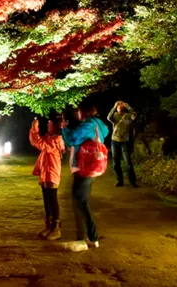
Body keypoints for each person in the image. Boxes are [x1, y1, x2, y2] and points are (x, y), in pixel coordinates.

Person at [61, 102, 109, 251]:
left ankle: (91, 237)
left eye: (79, 111)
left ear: (84, 112)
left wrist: (64, 128)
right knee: (80, 201)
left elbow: (72, 139)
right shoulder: (98, 123)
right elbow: (104, 133)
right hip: (92, 166)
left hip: (85, 167)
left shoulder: (89, 124)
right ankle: (87, 237)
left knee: (80, 201)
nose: (77, 113)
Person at [29, 113, 65, 240]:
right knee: (46, 198)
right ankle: (49, 226)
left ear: (56, 126)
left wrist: (34, 128)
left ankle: (56, 228)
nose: (48, 125)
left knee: (52, 199)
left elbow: (38, 143)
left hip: (52, 171)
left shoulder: (56, 139)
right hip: (46, 171)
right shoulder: (49, 137)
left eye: (50, 123)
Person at [107, 100, 138, 188]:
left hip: (125, 141)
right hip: (115, 140)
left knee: (128, 162)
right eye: (118, 106)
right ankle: (120, 180)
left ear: (124, 108)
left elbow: (134, 116)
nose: (119, 106)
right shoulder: (115, 116)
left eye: (121, 105)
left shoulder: (128, 116)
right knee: (116, 163)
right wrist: (114, 107)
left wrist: (128, 107)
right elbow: (109, 117)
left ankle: (132, 181)